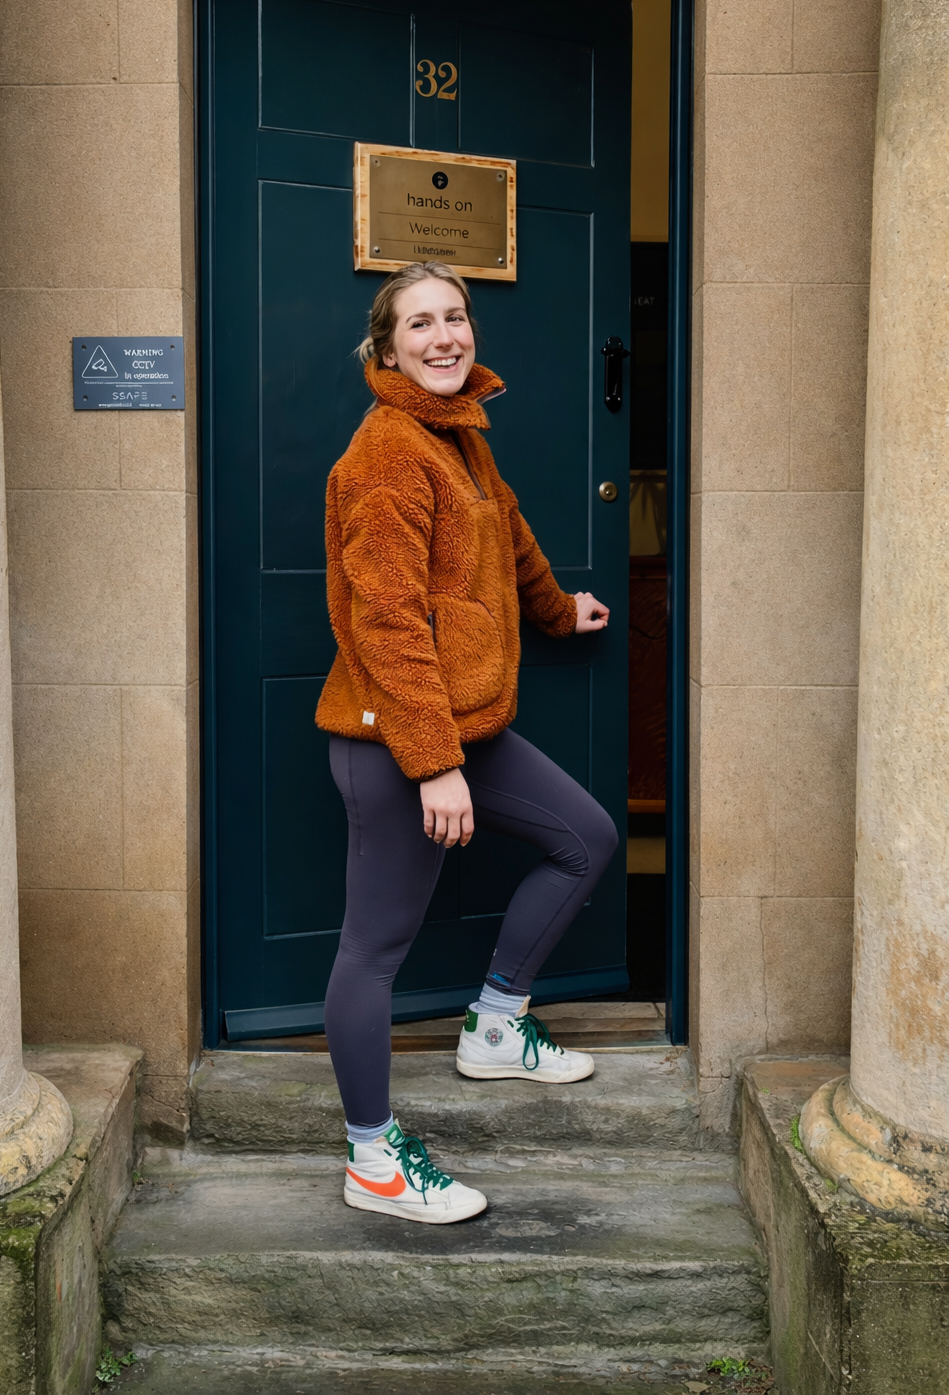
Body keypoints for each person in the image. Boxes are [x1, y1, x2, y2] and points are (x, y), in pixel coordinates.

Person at [316, 261, 619, 1224]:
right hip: (395, 743)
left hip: (467, 723)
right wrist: (435, 764)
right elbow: (389, 624)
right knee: (374, 949)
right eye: (421, 324)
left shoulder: (461, 441)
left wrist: (557, 611)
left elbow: (509, 538)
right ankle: (372, 1161)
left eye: (456, 317)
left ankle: (494, 1025)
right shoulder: (384, 458)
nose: (445, 336)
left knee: (586, 839)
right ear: (386, 345)